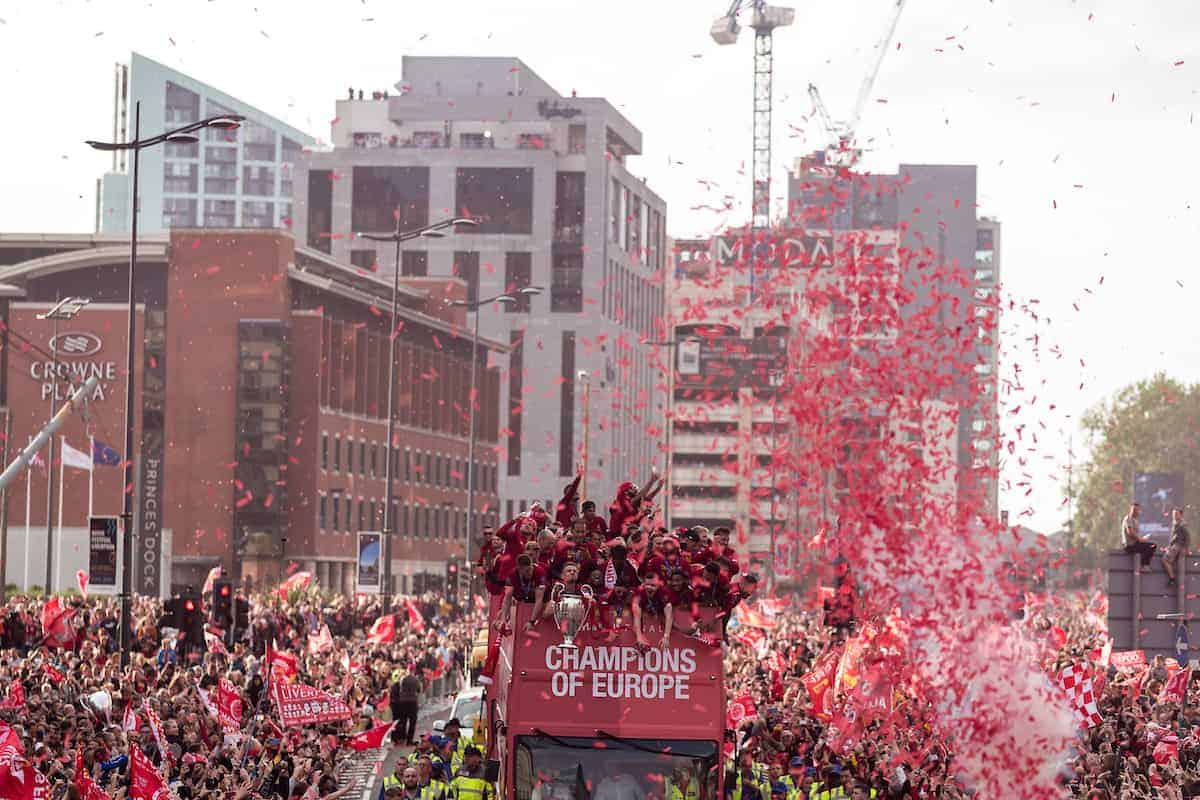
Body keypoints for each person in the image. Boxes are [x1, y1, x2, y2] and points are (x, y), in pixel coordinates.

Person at [391, 663, 424, 745]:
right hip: (413, 702)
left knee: (403, 721)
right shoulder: (415, 680)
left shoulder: (402, 679)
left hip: (403, 702)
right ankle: (409, 740)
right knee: (412, 722)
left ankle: (402, 738)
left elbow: (400, 690)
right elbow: (419, 690)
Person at [1123, 502, 1156, 568]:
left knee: (1152, 545)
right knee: (1152, 546)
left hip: (1136, 543)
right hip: (1130, 545)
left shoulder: (1135, 521)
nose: (1135, 512)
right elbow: (1130, 533)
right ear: (1131, 510)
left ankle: (1143, 563)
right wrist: (1140, 539)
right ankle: (1144, 564)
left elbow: (1136, 534)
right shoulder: (1128, 519)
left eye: (1137, 510)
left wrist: (1143, 538)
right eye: (1134, 510)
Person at [1164, 507, 1190, 585]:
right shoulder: (1175, 523)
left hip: (1178, 545)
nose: (1174, 516)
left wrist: (1186, 548)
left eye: (1176, 514)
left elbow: (1187, 537)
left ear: (1181, 515)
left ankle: (1172, 578)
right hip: (1175, 545)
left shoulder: (1182, 524)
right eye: (1173, 514)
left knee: (1165, 560)